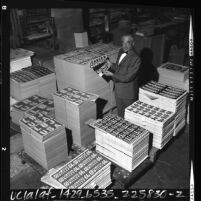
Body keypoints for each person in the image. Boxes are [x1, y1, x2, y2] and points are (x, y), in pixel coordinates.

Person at [103, 34, 141, 118]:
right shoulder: (121, 51)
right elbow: (119, 67)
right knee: (120, 114)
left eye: (128, 43)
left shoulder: (136, 58)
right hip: (118, 90)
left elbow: (128, 77)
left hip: (128, 93)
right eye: (123, 42)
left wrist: (112, 74)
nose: (125, 45)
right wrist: (111, 65)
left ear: (133, 43)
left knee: (129, 117)